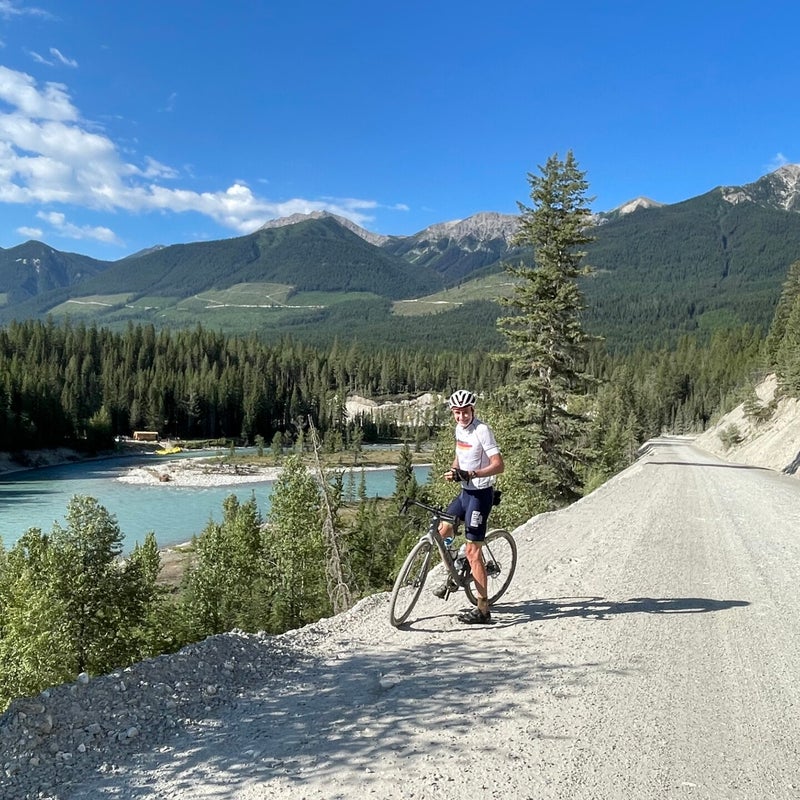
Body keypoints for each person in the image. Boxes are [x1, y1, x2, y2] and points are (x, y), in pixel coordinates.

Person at [435, 389, 504, 624]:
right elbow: (460, 457)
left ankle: (483, 608)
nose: (461, 416)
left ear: (472, 410)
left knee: (474, 552)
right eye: (457, 412)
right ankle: (454, 569)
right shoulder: (459, 429)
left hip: (481, 495)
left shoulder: (482, 431)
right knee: (442, 532)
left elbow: (498, 465)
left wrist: (472, 473)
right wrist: (455, 470)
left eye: (465, 412)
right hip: (465, 493)